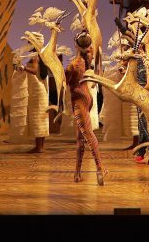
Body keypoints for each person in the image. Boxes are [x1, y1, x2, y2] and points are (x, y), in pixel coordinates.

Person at [66, 31, 104, 185]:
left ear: (76, 46)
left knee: (88, 135)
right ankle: (77, 173)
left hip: (79, 100)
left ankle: (100, 168)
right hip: (86, 96)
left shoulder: (74, 65)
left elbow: (66, 83)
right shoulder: (88, 57)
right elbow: (94, 46)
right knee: (80, 138)